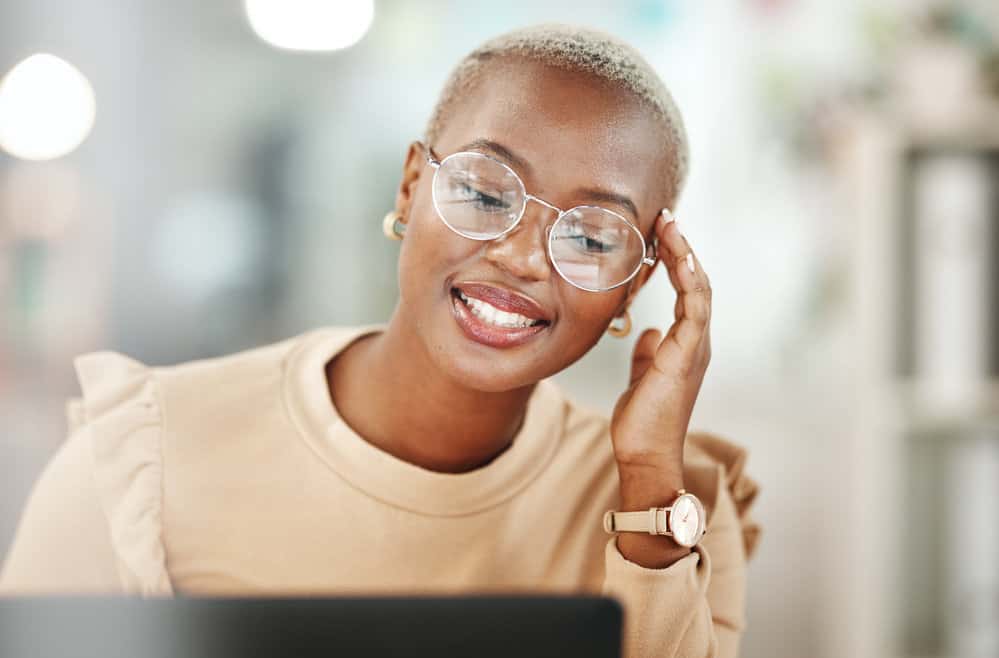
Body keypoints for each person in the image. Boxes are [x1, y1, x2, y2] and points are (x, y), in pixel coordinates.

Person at [0, 23, 761, 658]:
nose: (523, 256)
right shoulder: (141, 453)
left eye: (592, 238)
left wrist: (649, 483)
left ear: (633, 285)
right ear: (409, 187)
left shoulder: (672, 507)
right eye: (485, 193)